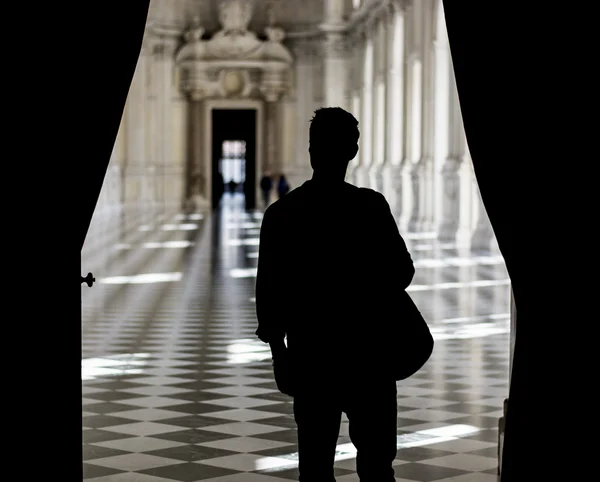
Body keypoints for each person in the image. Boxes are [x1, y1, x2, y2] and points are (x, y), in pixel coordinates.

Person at [255, 107, 415, 481]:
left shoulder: (282, 214)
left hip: (312, 356)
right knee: (377, 466)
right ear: (353, 151)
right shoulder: (371, 207)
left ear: (311, 150)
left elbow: (268, 294)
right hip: (370, 355)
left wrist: (280, 354)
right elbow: (403, 272)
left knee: (314, 468)